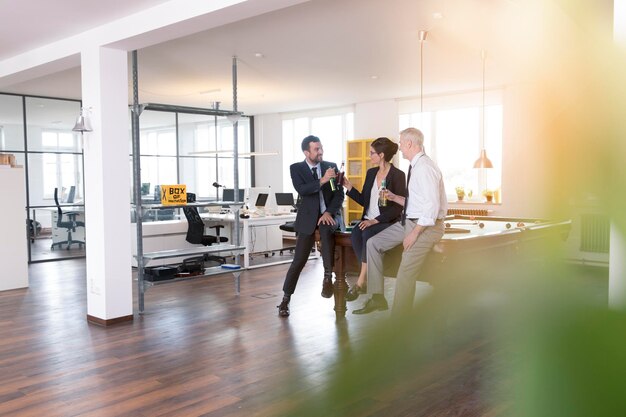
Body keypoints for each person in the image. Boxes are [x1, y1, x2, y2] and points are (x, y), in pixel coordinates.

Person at [353, 127, 447, 316]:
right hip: (410, 221)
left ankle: (399, 323)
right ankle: (377, 297)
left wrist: (414, 234)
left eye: (402, 143)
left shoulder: (425, 168)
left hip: (426, 227)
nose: (400, 147)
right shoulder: (415, 166)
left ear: (410, 143)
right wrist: (395, 197)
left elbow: (431, 208)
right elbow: (416, 203)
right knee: (373, 243)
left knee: (405, 274)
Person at [277, 135, 345, 317]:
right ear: (307, 152)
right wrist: (322, 180)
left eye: (321, 148)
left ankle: (327, 277)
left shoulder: (331, 166)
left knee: (325, 227)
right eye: (316, 149)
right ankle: (285, 299)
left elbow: (339, 195)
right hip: (307, 219)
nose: (321, 151)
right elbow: (303, 190)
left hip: (329, 216)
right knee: (298, 260)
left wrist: (328, 212)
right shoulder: (296, 169)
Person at [342, 137, 406, 302]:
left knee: (366, 233)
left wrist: (375, 221)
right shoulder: (371, 173)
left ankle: (361, 281)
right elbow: (364, 200)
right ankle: (368, 275)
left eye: (372, 153)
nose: (369, 156)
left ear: (382, 155)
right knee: (356, 233)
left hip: (385, 221)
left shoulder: (398, 175)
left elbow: (398, 207)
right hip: (367, 219)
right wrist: (348, 186)